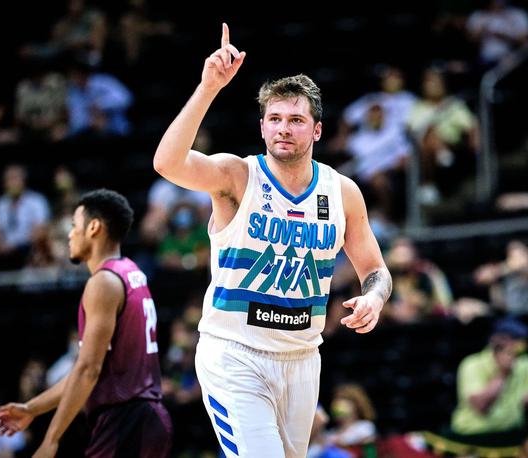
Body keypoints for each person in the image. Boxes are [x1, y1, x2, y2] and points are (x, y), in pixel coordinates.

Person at [153, 24, 391, 457]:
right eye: (275, 120)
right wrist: (208, 88)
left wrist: (374, 298)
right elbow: (167, 162)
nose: (284, 129)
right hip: (236, 355)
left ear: (316, 131)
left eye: (296, 120)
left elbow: (376, 271)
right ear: (262, 127)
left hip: (302, 359)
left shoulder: (341, 192)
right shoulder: (236, 177)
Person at [0, 189, 172, 458]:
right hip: (146, 418)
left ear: (94, 227)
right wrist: (32, 408)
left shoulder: (103, 283)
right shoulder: (131, 271)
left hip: (125, 420)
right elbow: (84, 370)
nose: (70, 233)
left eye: (75, 225)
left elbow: (88, 370)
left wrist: (51, 439)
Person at [451, 317, 528, 435]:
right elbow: (480, 407)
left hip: (512, 435)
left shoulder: (526, 364)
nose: (519, 344)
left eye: (520, 340)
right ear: (496, 342)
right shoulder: (472, 364)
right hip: (473, 436)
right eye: (514, 339)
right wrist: (502, 374)